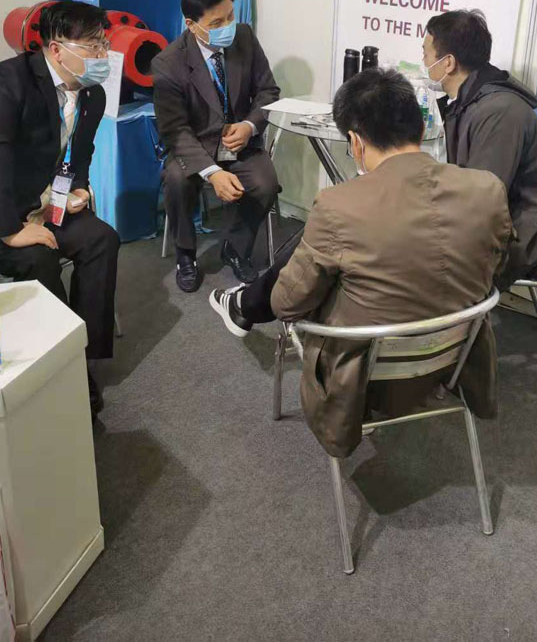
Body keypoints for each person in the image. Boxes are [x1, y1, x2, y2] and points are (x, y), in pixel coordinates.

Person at [209, 68, 512, 457]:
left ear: (354, 142)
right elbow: (497, 266)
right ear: (421, 129)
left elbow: (286, 304)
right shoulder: (487, 189)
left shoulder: (339, 205)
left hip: (363, 378)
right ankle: (243, 301)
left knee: (318, 273)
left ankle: (241, 303)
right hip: (454, 362)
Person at [0, 1, 120, 420]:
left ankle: (83, 352)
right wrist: (10, 229)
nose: (103, 55)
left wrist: (75, 188)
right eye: (93, 46)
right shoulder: (7, 81)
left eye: (104, 44)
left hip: (40, 201)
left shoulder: (92, 93)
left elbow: (81, 151)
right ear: (57, 49)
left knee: (101, 239)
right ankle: (58, 363)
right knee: (39, 258)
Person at [153, 0, 280, 293]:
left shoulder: (244, 37)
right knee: (177, 181)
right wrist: (212, 172)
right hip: (193, 146)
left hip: (239, 142)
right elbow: (174, 129)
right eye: (216, 23)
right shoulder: (168, 64)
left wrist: (249, 125)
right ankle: (186, 255)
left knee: (265, 183)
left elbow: (268, 91)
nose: (228, 27)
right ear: (191, 25)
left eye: (230, 16)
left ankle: (235, 248)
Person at [422, 9, 537, 289]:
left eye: (425, 54)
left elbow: (481, 202)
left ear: (447, 63)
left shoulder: (499, 112)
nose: (424, 63)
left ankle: (449, 314)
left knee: (405, 251)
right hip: (494, 218)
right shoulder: (469, 102)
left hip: (520, 234)